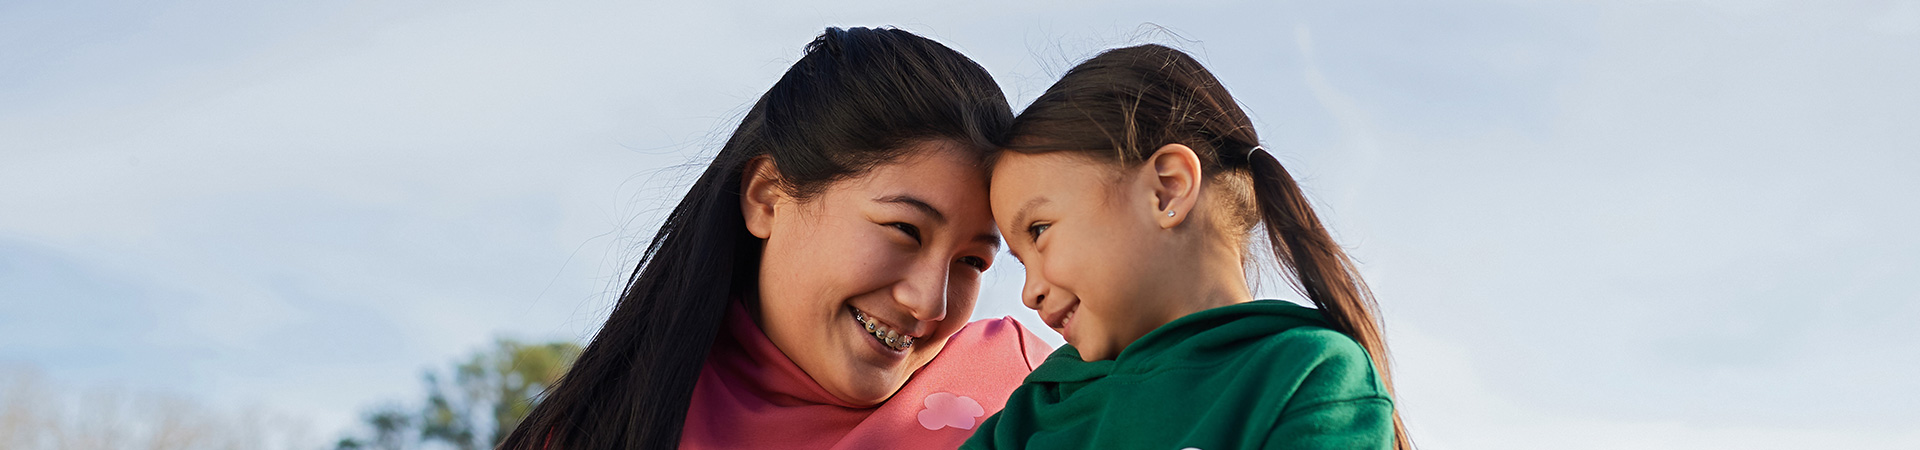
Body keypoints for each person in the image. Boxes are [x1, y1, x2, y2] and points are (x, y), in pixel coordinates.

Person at [498, 27, 1051, 450]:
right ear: (767, 197)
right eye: (905, 230)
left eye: (974, 261)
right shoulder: (603, 431)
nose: (930, 300)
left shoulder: (1038, 392)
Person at [963, 44, 1410, 449]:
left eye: (1040, 230)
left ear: (1167, 191)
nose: (1029, 293)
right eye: (1020, 261)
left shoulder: (1306, 377)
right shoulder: (1030, 414)